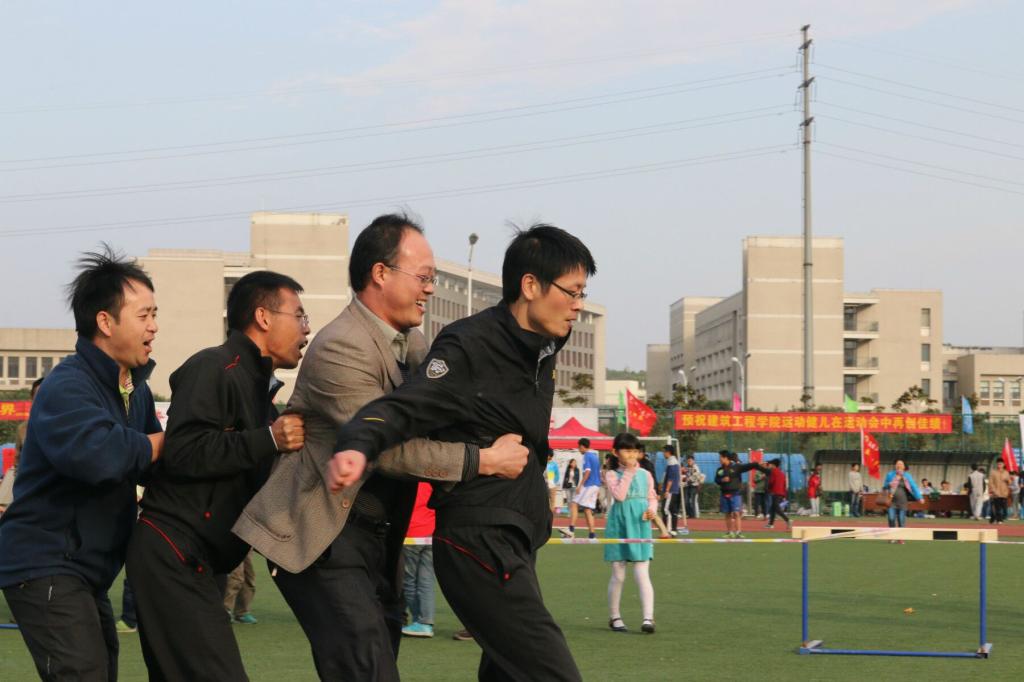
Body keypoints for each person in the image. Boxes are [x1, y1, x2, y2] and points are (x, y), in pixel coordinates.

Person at [233, 215, 527, 681]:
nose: (430, 288)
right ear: (381, 274)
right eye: (424, 276)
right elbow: (387, 448)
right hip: (324, 537)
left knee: (377, 658)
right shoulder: (341, 346)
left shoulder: (413, 344)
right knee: (367, 668)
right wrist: (484, 461)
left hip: (378, 536)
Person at [329, 223, 595, 681]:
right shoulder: (468, 345)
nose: (578, 305)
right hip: (479, 540)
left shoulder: (546, 343)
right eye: (571, 292)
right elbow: (405, 407)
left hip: (518, 536)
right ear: (530, 286)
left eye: (582, 293)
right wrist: (358, 443)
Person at [126, 270, 309, 681]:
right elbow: (183, 451)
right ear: (263, 317)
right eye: (299, 315)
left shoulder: (262, 394)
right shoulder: (214, 366)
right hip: (173, 550)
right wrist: (268, 439)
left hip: (205, 561)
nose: (306, 329)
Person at [0, 246, 163, 681]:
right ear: (105, 322)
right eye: (144, 315)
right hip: (44, 563)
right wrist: (170, 440)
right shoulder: (67, 386)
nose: (154, 326)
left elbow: (151, 466)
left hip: (86, 571)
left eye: (155, 314)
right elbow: (101, 456)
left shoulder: (134, 389)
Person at [604, 433, 668, 635]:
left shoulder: (646, 474)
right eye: (627, 451)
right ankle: (615, 617)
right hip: (619, 525)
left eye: (635, 451)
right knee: (619, 574)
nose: (632, 455)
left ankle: (648, 618)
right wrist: (629, 472)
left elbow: (652, 497)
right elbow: (620, 496)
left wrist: (652, 509)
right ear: (616, 452)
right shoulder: (611, 474)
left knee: (642, 572)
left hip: (640, 525)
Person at [0, 377, 42, 514]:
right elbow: (18, 461)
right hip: (28, 489)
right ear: (32, 400)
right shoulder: (23, 429)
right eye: (38, 396)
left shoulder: (64, 426)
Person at [402, 482, 436, 638]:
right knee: (426, 581)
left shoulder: (407, 482)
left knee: (409, 581)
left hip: (411, 534)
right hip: (431, 533)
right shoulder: (431, 481)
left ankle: (419, 621)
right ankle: (426, 622)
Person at [714, 451, 763, 538]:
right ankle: (729, 532)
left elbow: (747, 466)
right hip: (724, 494)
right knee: (727, 513)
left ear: (725, 458)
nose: (719, 459)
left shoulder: (736, 466)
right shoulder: (720, 470)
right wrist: (722, 480)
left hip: (735, 494)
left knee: (736, 513)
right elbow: (716, 480)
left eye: (720, 457)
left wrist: (756, 464)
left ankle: (738, 532)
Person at [563, 437, 602, 539]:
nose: (578, 449)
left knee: (574, 504)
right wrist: (598, 487)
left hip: (589, 484)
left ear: (582, 446)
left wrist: (580, 485)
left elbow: (588, 471)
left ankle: (571, 530)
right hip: (596, 485)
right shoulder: (595, 456)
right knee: (587, 509)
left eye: (579, 447)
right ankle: (592, 534)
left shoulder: (586, 456)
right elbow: (599, 472)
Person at [882, 459, 922, 539]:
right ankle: (892, 537)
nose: (899, 465)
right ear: (895, 466)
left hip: (903, 502)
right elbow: (884, 486)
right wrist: (889, 484)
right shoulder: (890, 474)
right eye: (897, 463)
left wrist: (919, 497)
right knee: (891, 518)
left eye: (901, 464)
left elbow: (914, 486)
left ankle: (901, 537)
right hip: (891, 501)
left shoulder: (907, 476)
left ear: (904, 467)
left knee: (901, 520)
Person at [223, 552, 258, 625]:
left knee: (249, 578)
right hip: (233, 546)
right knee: (236, 578)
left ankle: (242, 613)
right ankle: (226, 611)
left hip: (248, 546)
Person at [660, 444, 683, 535]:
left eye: (664, 451)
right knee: (673, 510)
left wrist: (666, 490)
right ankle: (673, 530)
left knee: (665, 510)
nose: (663, 453)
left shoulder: (672, 463)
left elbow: (671, 478)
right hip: (674, 490)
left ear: (668, 452)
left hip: (671, 490)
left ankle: (666, 530)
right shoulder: (673, 462)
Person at [765, 459, 791, 530]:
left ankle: (787, 520)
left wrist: (768, 488)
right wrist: (784, 494)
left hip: (775, 492)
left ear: (773, 465)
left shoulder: (773, 471)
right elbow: (784, 484)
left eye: (770, 464)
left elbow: (771, 482)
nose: (769, 465)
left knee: (776, 508)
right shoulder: (782, 473)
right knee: (773, 508)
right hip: (781, 493)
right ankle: (770, 524)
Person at [988, 459, 1011, 525]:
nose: (999, 465)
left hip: (1004, 493)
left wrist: (1008, 480)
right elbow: (991, 482)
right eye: (998, 464)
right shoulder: (993, 472)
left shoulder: (1006, 473)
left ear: (1003, 465)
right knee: (997, 507)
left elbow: (1010, 482)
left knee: (1004, 508)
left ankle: (993, 518)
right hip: (996, 493)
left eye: (1000, 464)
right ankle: (999, 520)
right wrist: (993, 490)